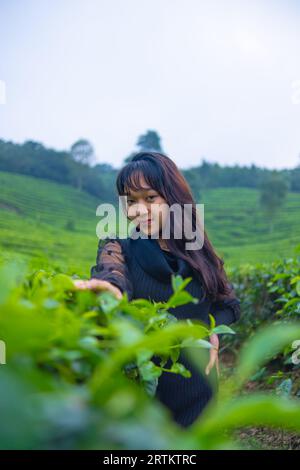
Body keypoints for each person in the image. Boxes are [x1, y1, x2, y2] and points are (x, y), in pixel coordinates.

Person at [73, 152, 241, 428]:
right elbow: (112, 274)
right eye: (131, 202)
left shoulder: (199, 254)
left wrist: (211, 332)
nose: (139, 210)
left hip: (200, 393)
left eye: (150, 198)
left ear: (172, 199)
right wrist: (108, 287)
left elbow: (229, 304)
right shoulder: (120, 248)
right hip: (145, 397)